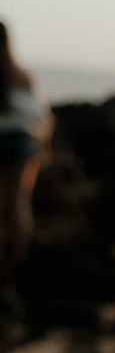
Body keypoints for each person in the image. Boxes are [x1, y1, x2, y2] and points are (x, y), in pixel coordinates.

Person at [0, 19, 51, 271]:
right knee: (19, 203)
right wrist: (44, 146)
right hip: (22, 144)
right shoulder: (21, 75)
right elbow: (40, 116)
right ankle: (18, 263)